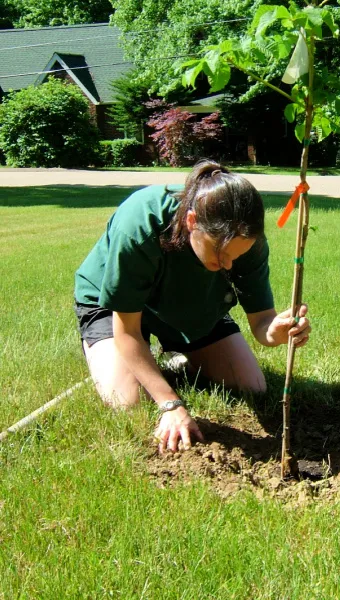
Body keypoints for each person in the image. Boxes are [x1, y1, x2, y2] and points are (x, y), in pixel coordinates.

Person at [74, 159, 310, 453]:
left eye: (236, 257)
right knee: (130, 403)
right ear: (191, 222)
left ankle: (175, 359)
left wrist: (277, 330)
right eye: (220, 253)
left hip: (193, 303)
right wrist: (170, 404)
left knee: (251, 385)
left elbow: (262, 322)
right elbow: (128, 331)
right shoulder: (141, 223)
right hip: (114, 308)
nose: (228, 265)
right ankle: (118, 358)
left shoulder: (248, 241)